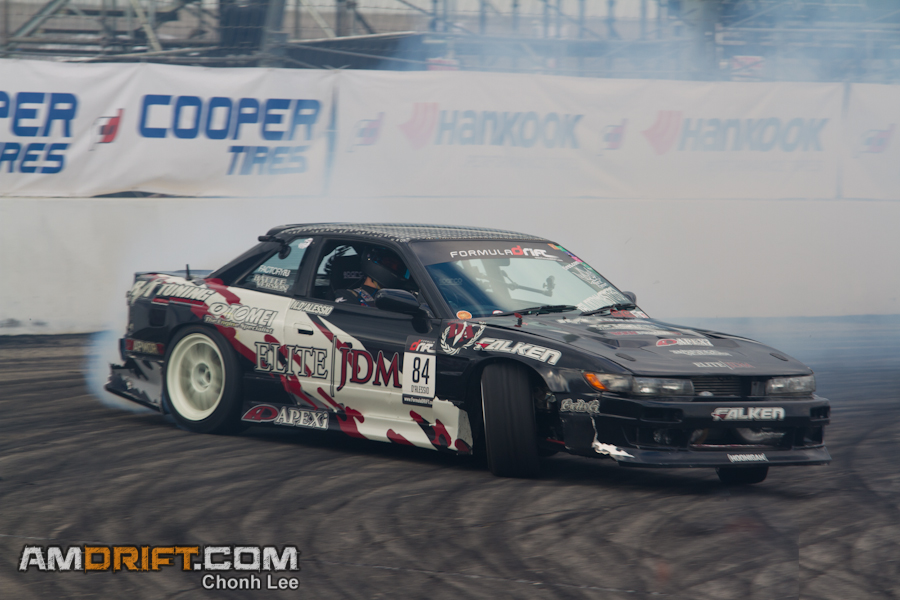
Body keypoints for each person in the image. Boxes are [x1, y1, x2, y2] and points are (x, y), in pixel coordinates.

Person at [334, 247, 410, 306]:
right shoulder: (348, 295)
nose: (395, 269)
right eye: (389, 263)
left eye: (399, 268)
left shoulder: (402, 299)